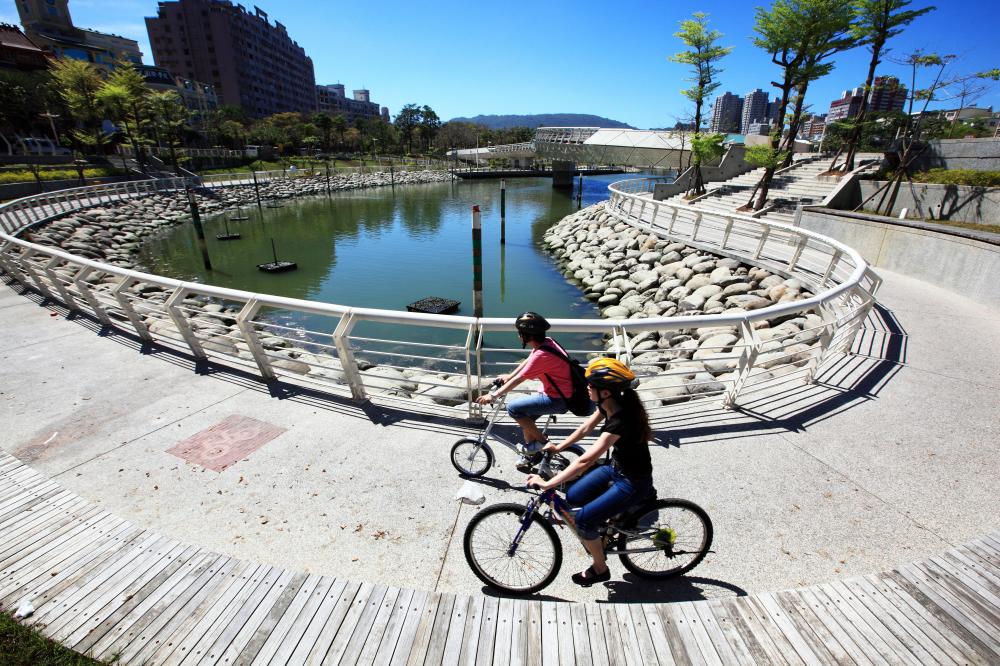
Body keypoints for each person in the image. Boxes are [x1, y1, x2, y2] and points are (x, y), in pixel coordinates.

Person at [525, 357, 653, 586]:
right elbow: (585, 428)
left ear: (606, 392)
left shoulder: (621, 420)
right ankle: (607, 526)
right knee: (573, 495)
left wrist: (548, 484)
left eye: (591, 385)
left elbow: (585, 460)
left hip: (633, 481)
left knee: (583, 521)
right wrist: (559, 447)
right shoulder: (609, 406)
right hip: (616, 469)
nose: (587, 387)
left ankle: (600, 567)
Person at [475, 312, 573, 471]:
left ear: (526, 336)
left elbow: (520, 380)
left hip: (557, 399)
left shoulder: (542, 355)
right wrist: (509, 376)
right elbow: (527, 363)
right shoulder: (547, 343)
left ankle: (542, 443)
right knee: (526, 420)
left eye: (520, 333)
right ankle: (531, 455)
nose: (518, 336)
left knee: (513, 408)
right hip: (560, 393)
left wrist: (493, 395)